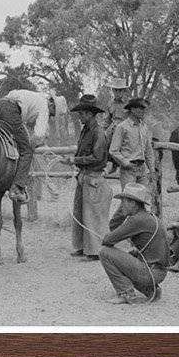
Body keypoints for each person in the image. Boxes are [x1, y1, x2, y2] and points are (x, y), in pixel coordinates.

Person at [98, 183, 169, 305]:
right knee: (129, 256)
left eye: (124, 202)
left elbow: (108, 240)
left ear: (133, 203)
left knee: (105, 252)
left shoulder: (136, 220)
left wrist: (107, 236)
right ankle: (152, 290)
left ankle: (126, 293)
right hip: (158, 271)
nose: (121, 206)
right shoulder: (149, 217)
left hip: (151, 273)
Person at [0, 89, 54, 203]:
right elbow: (39, 135)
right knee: (26, 151)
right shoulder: (44, 107)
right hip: (11, 111)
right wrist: (32, 144)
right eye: (52, 112)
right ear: (51, 104)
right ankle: (17, 188)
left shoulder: (33, 97)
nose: (50, 115)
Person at [65, 96, 111, 259]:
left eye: (83, 113)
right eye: (80, 113)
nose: (80, 116)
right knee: (80, 213)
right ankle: (81, 246)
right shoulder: (85, 130)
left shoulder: (98, 133)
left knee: (93, 215)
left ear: (91, 114)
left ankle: (95, 250)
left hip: (93, 177)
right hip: (83, 176)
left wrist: (75, 160)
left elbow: (98, 157)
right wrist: (74, 160)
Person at [109, 97, 156, 190]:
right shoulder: (122, 127)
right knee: (129, 199)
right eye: (141, 108)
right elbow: (113, 150)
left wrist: (151, 169)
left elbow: (148, 150)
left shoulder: (144, 127)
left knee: (142, 199)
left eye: (144, 108)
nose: (143, 111)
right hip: (128, 170)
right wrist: (126, 163)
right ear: (133, 109)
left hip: (142, 169)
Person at [104, 78, 129, 144]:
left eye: (120, 90)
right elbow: (107, 120)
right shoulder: (110, 103)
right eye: (115, 90)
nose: (117, 93)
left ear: (124, 91)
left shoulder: (129, 103)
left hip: (126, 132)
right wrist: (103, 131)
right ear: (112, 90)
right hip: (112, 131)